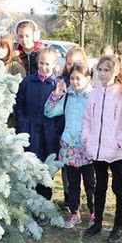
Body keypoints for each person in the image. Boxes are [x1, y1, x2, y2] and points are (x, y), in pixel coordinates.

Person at [82, 55, 122, 243]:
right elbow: (87, 118)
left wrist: (119, 142)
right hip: (97, 149)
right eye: (100, 70)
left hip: (115, 150)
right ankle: (98, 222)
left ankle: (118, 225)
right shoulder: (94, 92)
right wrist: (87, 138)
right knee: (100, 186)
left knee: (119, 187)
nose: (103, 74)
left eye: (107, 70)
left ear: (116, 71)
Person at [44, 63, 95, 227]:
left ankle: (94, 212)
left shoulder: (94, 97)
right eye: (72, 78)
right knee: (72, 182)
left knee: (91, 182)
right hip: (69, 146)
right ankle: (74, 212)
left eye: (78, 78)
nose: (74, 81)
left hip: (87, 147)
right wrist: (56, 94)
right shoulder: (68, 96)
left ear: (87, 78)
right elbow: (49, 111)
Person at [14, 47, 63, 199]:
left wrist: (55, 131)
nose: (44, 67)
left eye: (48, 64)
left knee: (46, 167)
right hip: (29, 130)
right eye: (41, 63)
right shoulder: (28, 82)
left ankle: (45, 202)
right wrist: (22, 123)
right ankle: (29, 201)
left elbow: (61, 112)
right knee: (29, 165)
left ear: (54, 65)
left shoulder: (57, 85)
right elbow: (19, 104)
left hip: (48, 134)